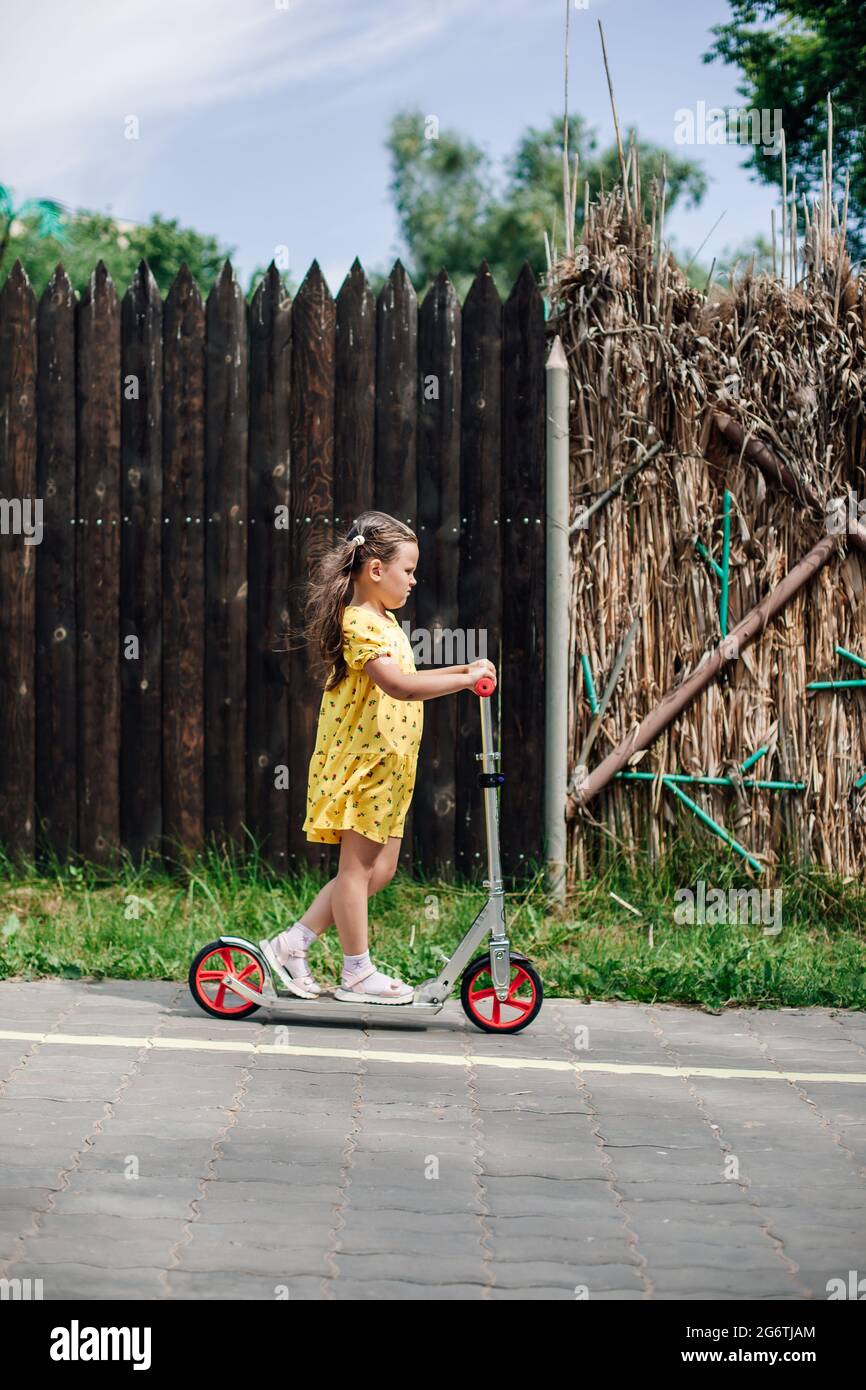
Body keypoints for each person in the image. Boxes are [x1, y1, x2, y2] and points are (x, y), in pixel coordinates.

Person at [260, 509, 496, 1005]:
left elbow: (409, 676)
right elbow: (399, 686)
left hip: (391, 768)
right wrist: (463, 681)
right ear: (375, 570)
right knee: (356, 871)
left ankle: (292, 944)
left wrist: (465, 669)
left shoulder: (385, 621)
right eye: (407, 570)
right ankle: (357, 973)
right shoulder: (359, 624)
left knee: (379, 871)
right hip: (363, 766)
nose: (413, 580)